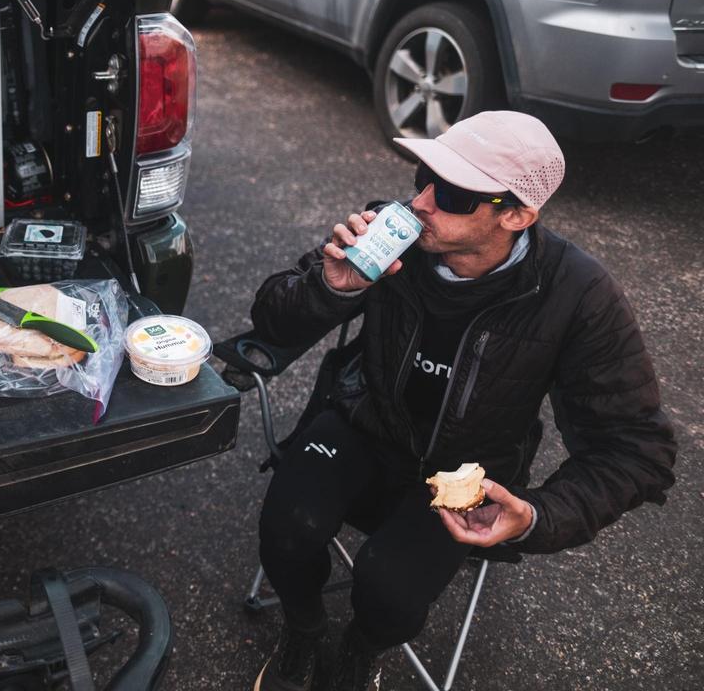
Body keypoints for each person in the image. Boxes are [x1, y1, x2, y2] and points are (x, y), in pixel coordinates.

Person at [248, 111, 677, 691]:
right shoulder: (390, 234)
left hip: (467, 469)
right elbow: (270, 322)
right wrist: (328, 287)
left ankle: (360, 650)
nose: (421, 202)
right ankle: (302, 628)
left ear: (518, 215)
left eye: (450, 192)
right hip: (367, 423)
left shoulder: (578, 294)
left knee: (390, 592)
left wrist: (538, 517)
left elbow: (639, 450)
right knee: (284, 529)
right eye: (423, 175)